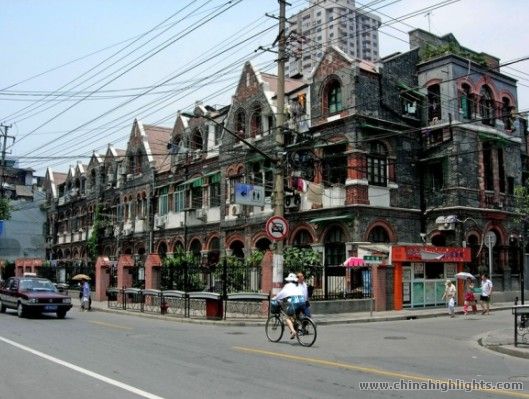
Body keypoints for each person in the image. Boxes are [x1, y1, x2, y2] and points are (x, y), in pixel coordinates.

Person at [272, 272, 305, 339]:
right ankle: (297, 327)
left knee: (287, 317)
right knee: (295, 316)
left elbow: (280, 295)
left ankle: (293, 331)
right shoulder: (298, 285)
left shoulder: (287, 286)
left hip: (294, 303)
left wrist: (274, 298)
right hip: (302, 302)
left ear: (289, 280)